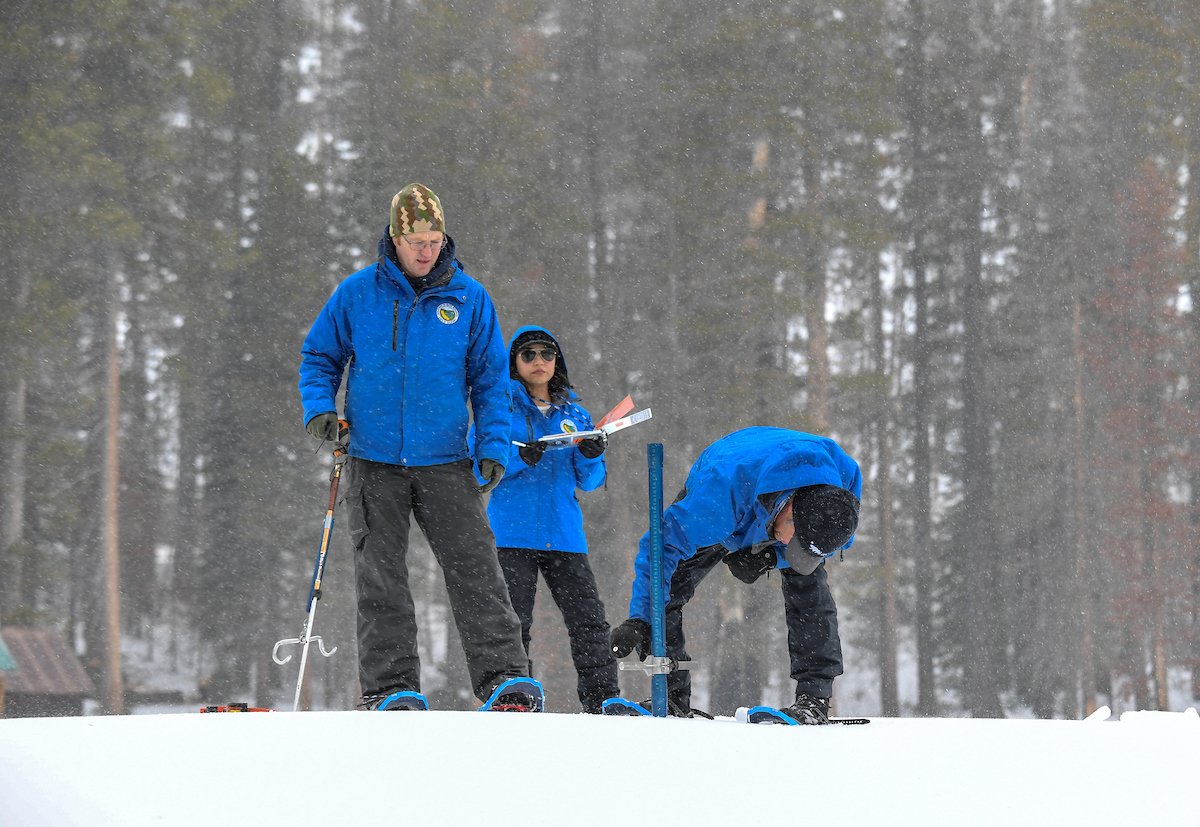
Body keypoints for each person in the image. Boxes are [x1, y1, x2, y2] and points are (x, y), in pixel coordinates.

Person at [298, 183, 536, 711]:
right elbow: (318, 358)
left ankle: (504, 680)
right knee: (380, 577)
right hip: (371, 458)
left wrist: (493, 444)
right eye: (415, 241)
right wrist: (319, 410)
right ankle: (391, 687)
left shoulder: (470, 299)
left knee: (476, 569)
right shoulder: (358, 294)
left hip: (448, 460)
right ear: (394, 238)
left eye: (434, 239)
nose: (426, 250)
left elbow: (491, 380)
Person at [609, 426, 862, 723]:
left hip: (777, 486)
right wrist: (641, 617)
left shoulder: (842, 494)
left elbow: (825, 546)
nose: (788, 549)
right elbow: (660, 549)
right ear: (789, 508)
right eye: (791, 543)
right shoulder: (718, 499)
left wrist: (772, 556)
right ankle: (671, 694)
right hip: (734, 475)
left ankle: (814, 697)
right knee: (672, 581)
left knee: (810, 588)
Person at [478, 325, 620, 713]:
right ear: (514, 362)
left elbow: (590, 481)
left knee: (589, 620)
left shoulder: (576, 413)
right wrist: (518, 459)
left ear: (557, 361)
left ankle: (603, 699)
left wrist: (592, 453)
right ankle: (514, 695)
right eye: (529, 355)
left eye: (547, 354)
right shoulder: (498, 408)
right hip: (511, 533)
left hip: (565, 535)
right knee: (513, 622)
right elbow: (477, 472)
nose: (539, 362)